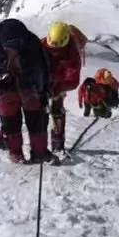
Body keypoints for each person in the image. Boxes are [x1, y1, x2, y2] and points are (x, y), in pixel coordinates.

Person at [0, 18, 51, 164]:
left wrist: (44, 90)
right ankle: (17, 154)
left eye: (15, 45)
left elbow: (43, 68)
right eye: (8, 45)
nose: (12, 49)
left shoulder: (31, 41)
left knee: (36, 122)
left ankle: (38, 153)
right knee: (11, 124)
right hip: (8, 89)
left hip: (29, 88)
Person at [43, 21, 83, 154]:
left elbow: (72, 80)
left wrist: (57, 89)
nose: (55, 50)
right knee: (38, 109)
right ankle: (39, 142)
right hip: (45, 80)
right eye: (52, 46)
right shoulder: (43, 44)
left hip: (58, 84)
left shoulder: (72, 53)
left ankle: (57, 143)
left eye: (57, 47)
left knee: (57, 110)